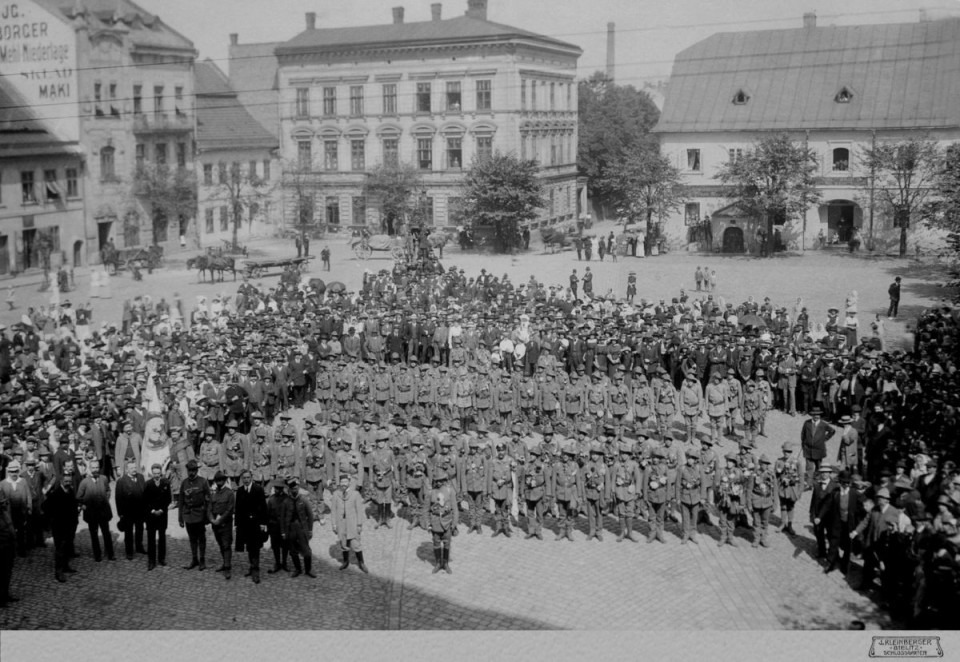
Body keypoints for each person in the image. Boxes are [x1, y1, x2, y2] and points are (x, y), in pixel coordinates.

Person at [818, 469, 863, 574]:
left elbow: (861, 508)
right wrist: (819, 517)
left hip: (849, 524)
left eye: (848, 483)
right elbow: (826, 505)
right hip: (837, 523)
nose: (846, 485)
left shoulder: (854, 494)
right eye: (844, 483)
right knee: (833, 543)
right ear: (840, 482)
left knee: (848, 545)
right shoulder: (835, 493)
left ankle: (845, 564)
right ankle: (830, 563)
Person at [43, 473, 79, 583]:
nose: (68, 483)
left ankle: (65, 567)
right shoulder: (55, 494)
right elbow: (45, 507)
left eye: (69, 481)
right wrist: (52, 520)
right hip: (59, 527)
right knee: (60, 550)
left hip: (70, 526)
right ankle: (58, 572)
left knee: (67, 547)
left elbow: (73, 506)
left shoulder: (71, 491)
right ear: (61, 482)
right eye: (66, 481)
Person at [76, 459, 114, 562]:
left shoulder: (104, 478)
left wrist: (106, 498)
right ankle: (97, 555)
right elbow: (78, 498)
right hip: (92, 513)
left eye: (97, 467)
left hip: (103, 512)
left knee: (106, 533)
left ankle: (110, 554)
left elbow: (108, 490)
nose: (95, 470)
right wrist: (84, 506)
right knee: (94, 534)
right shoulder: (84, 482)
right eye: (93, 468)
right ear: (89, 468)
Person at [235, 469, 267, 583]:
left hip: (256, 524)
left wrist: (263, 523)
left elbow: (263, 508)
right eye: (244, 478)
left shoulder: (258, 490)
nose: (246, 480)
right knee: (249, 546)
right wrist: (236, 524)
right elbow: (237, 509)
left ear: (251, 478)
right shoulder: (239, 491)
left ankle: (256, 570)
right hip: (245, 525)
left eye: (248, 478)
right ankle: (251, 566)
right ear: (241, 479)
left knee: (255, 547)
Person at [331, 473, 368, 573]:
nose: (344, 484)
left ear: (349, 483)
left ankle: (361, 562)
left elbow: (359, 511)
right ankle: (346, 561)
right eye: (342, 482)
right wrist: (334, 524)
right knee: (344, 544)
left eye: (345, 482)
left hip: (352, 524)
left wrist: (359, 524)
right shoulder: (336, 494)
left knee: (356, 544)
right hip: (341, 524)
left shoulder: (355, 494)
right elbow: (333, 510)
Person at [178, 459, 211, 571]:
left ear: (196, 470)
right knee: (192, 538)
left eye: (193, 470)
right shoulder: (184, 483)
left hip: (199, 514)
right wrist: (180, 518)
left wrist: (207, 516)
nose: (191, 473)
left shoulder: (203, 482)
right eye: (189, 470)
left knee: (201, 538)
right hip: (188, 515)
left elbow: (208, 499)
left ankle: (202, 559)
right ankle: (194, 559)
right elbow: (181, 501)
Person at [280, 476, 315, 578]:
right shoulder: (286, 502)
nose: (294, 490)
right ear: (289, 490)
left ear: (298, 489)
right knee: (293, 551)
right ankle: (298, 569)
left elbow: (310, 515)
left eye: (296, 488)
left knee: (306, 551)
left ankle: (308, 569)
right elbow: (282, 518)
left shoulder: (304, 500)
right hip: (290, 529)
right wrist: (283, 532)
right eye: (292, 489)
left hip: (301, 528)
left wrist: (310, 529)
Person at [114, 460, 146, 560]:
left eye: (135, 468)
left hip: (140, 510)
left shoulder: (140, 477)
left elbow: (145, 493)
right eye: (131, 468)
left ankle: (139, 547)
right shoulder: (121, 481)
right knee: (128, 532)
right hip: (128, 512)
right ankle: (129, 552)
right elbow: (118, 498)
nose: (134, 470)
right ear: (127, 469)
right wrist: (120, 514)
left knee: (140, 529)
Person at [428, 472, 458, 574]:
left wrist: (454, 524)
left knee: (447, 544)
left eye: (441, 480)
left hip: (447, 523)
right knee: (436, 543)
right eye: (437, 480)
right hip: (435, 523)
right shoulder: (431, 492)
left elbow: (455, 509)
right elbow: (425, 509)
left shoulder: (450, 491)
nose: (439, 483)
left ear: (445, 480)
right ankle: (438, 563)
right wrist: (428, 524)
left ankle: (445, 563)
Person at [143, 463, 171, 570]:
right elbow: (145, 501)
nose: (157, 475)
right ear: (151, 473)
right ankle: (151, 561)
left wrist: (162, 510)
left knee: (162, 537)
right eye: (154, 473)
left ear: (161, 473)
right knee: (151, 539)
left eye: (158, 473)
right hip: (151, 516)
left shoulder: (166, 483)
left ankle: (161, 558)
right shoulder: (148, 484)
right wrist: (153, 510)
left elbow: (168, 499)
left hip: (162, 515)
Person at [208, 470, 236, 580]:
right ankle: (224, 563)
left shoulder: (229, 493)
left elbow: (229, 509)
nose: (219, 482)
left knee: (226, 545)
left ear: (224, 481)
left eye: (221, 480)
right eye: (217, 480)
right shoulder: (213, 493)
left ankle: (228, 567)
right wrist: (211, 519)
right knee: (220, 544)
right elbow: (209, 508)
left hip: (225, 524)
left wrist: (220, 520)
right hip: (215, 524)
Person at [0, 460, 31, 557]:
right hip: (8, 512)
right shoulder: (3, 483)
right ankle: (12, 550)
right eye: (12, 472)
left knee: (21, 530)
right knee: (10, 531)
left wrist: (29, 507)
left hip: (21, 510)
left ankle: (22, 550)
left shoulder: (23, 481)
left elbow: (28, 495)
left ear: (18, 471)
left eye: (16, 471)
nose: (14, 474)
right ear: (8, 472)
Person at [800, 406, 835, 486]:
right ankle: (809, 484)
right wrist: (803, 443)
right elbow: (803, 434)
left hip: (819, 450)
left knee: (818, 467)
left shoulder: (823, 424)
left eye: (818, 415)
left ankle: (816, 481)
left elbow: (832, 431)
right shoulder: (807, 423)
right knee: (809, 468)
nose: (816, 416)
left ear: (820, 416)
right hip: (808, 449)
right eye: (814, 415)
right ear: (812, 415)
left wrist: (824, 439)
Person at [265, 479, 289, 573]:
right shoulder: (271, 500)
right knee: (275, 546)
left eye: (278, 489)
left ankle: (284, 563)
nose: (276, 490)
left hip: (284, 527)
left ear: (282, 489)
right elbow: (267, 514)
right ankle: (277, 563)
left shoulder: (287, 499)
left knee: (285, 545)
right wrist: (267, 527)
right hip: (274, 526)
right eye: (275, 488)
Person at [0, 485, 18, 606]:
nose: (4, 503)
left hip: (9, 546)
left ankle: (5, 594)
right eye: (2, 502)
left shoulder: (5, 512)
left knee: (7, 572)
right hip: (1, 547)